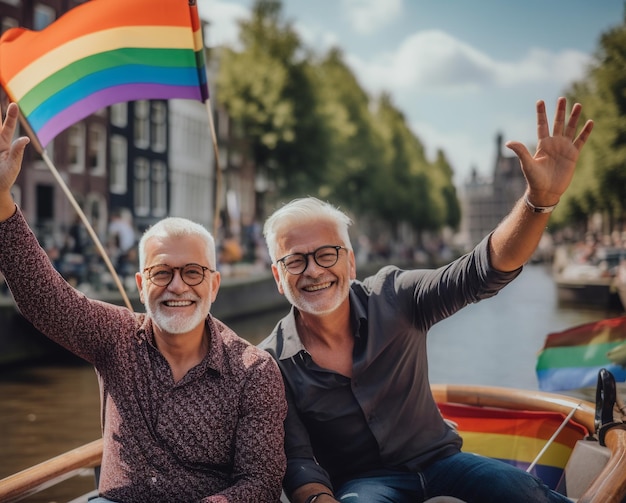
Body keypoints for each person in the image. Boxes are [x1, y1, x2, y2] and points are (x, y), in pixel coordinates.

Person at [259, 97, 594, 503]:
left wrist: (539, 202)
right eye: (295, 260)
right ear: (278, 276)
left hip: (442, 462)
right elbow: (298, 462)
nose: (313, 270)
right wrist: (318, 499)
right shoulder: (269, 363)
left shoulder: (395, 296)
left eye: (326, 254)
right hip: (364, 486)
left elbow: (480, 272)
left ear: (349, 263)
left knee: (519, 489)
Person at [0, 103, 287, 502]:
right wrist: (1, 200)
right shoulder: (115, 336)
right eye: (161, 273)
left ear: (215, 284)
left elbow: (261, 482)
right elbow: (45, 299)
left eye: (193, 272)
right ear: (140, 284)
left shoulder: (254, 373)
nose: (177, 286)